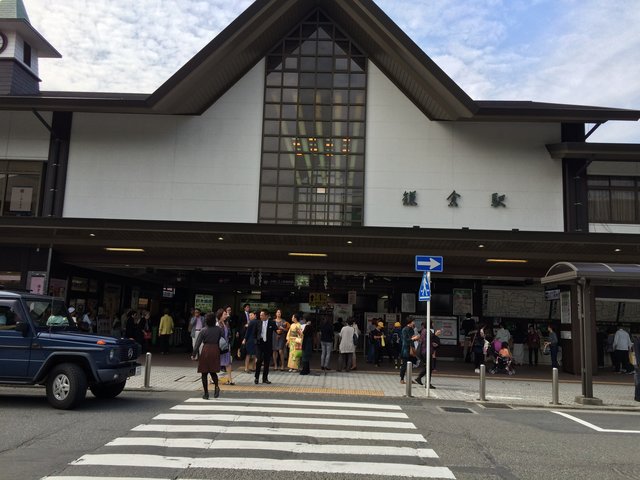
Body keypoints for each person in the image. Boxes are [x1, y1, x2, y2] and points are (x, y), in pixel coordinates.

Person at [191, 312, 221, 399]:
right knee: (213, 371)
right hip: (215, 349)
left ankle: (206, 393)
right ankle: (216, 386)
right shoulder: (218, 329)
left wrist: (194, 354)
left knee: (204, 373)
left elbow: (197, 344)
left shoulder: (203, 330)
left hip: (206, 350)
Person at [254, 309, 277, 384]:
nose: (260, 316)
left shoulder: (272, 323)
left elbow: (277, 331)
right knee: (259, 360)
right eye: (260, 315)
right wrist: (255, 341)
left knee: (267, 361)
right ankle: (256, 377)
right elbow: (254, 333)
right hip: (260, 344)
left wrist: (280, 331)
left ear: (267, 316)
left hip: (267, 344)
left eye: (262, 315)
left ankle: (265, 378)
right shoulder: (258, 323)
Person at [400, 317, 420, 384]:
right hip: (406, 349)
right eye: (413, 321)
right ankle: (402, 379)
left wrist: (416, 338)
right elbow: (405, 340)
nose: (414, 323)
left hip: (411, 349)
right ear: (410, 322)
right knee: (404, 365)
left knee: (410, 365)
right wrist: (414, 338)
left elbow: (412, 338)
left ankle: (409, 379)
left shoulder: (412, 329)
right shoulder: (404, 330)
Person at [217, 308, 234, 385]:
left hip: (226, 346)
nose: (226, 316)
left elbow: (229, 334)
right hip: (220, 346)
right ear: (220, 315)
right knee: (217, 363)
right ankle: (212, 378)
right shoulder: (217, 324)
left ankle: (230, 379)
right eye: (224, 314)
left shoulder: (226, 323)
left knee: (228, 363)